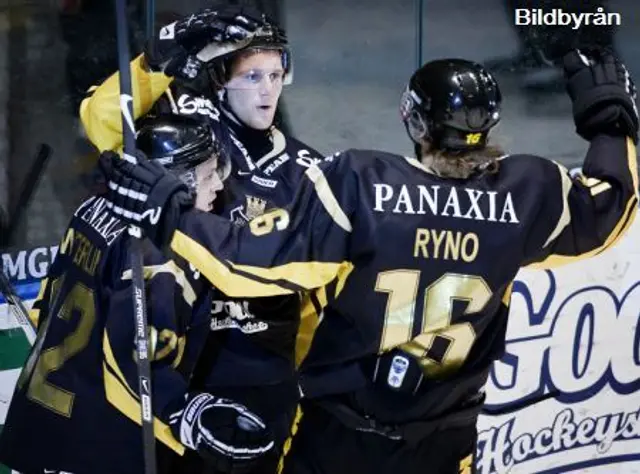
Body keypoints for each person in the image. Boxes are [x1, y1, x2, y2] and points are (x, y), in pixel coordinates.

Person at [97, 47, 638, 474]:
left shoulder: (361, 183)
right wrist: (609, 119)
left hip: (342, 433)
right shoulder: (528, 191)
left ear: (414, 122)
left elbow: (250, 262)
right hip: (447, 436)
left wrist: (170, 210)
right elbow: (611, 207)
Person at [79, 7, 328, 472]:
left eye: (277, 74)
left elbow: (315, 291)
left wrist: (303, 377)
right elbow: (101, 123)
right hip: (182, 365)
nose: (267, 89)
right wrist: (160, 56)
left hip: (262, 371)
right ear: (219, 79)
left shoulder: (307, 170)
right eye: (252, 75)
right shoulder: (187, 126)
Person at [0, 115, 273, 474]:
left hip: (39, 417)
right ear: (176, 182)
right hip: (98, 438)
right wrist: (182, 411)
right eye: (208, 175)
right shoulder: (157, 256)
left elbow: (51, 298)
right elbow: (135, 357)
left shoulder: (91, 208)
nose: (218, 187)